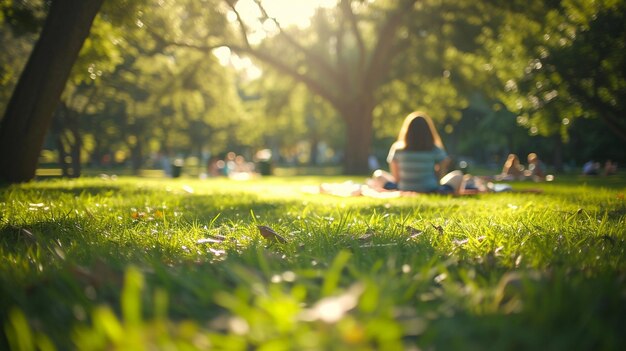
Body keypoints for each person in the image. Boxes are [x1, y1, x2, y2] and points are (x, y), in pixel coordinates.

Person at [380, 111, 464, 194]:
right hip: (431, 189)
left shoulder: (397, 149)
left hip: (403, 188)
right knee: (458, 175)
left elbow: (396, 178)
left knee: (378, 174)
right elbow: (442, 170)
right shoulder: (435, 150)